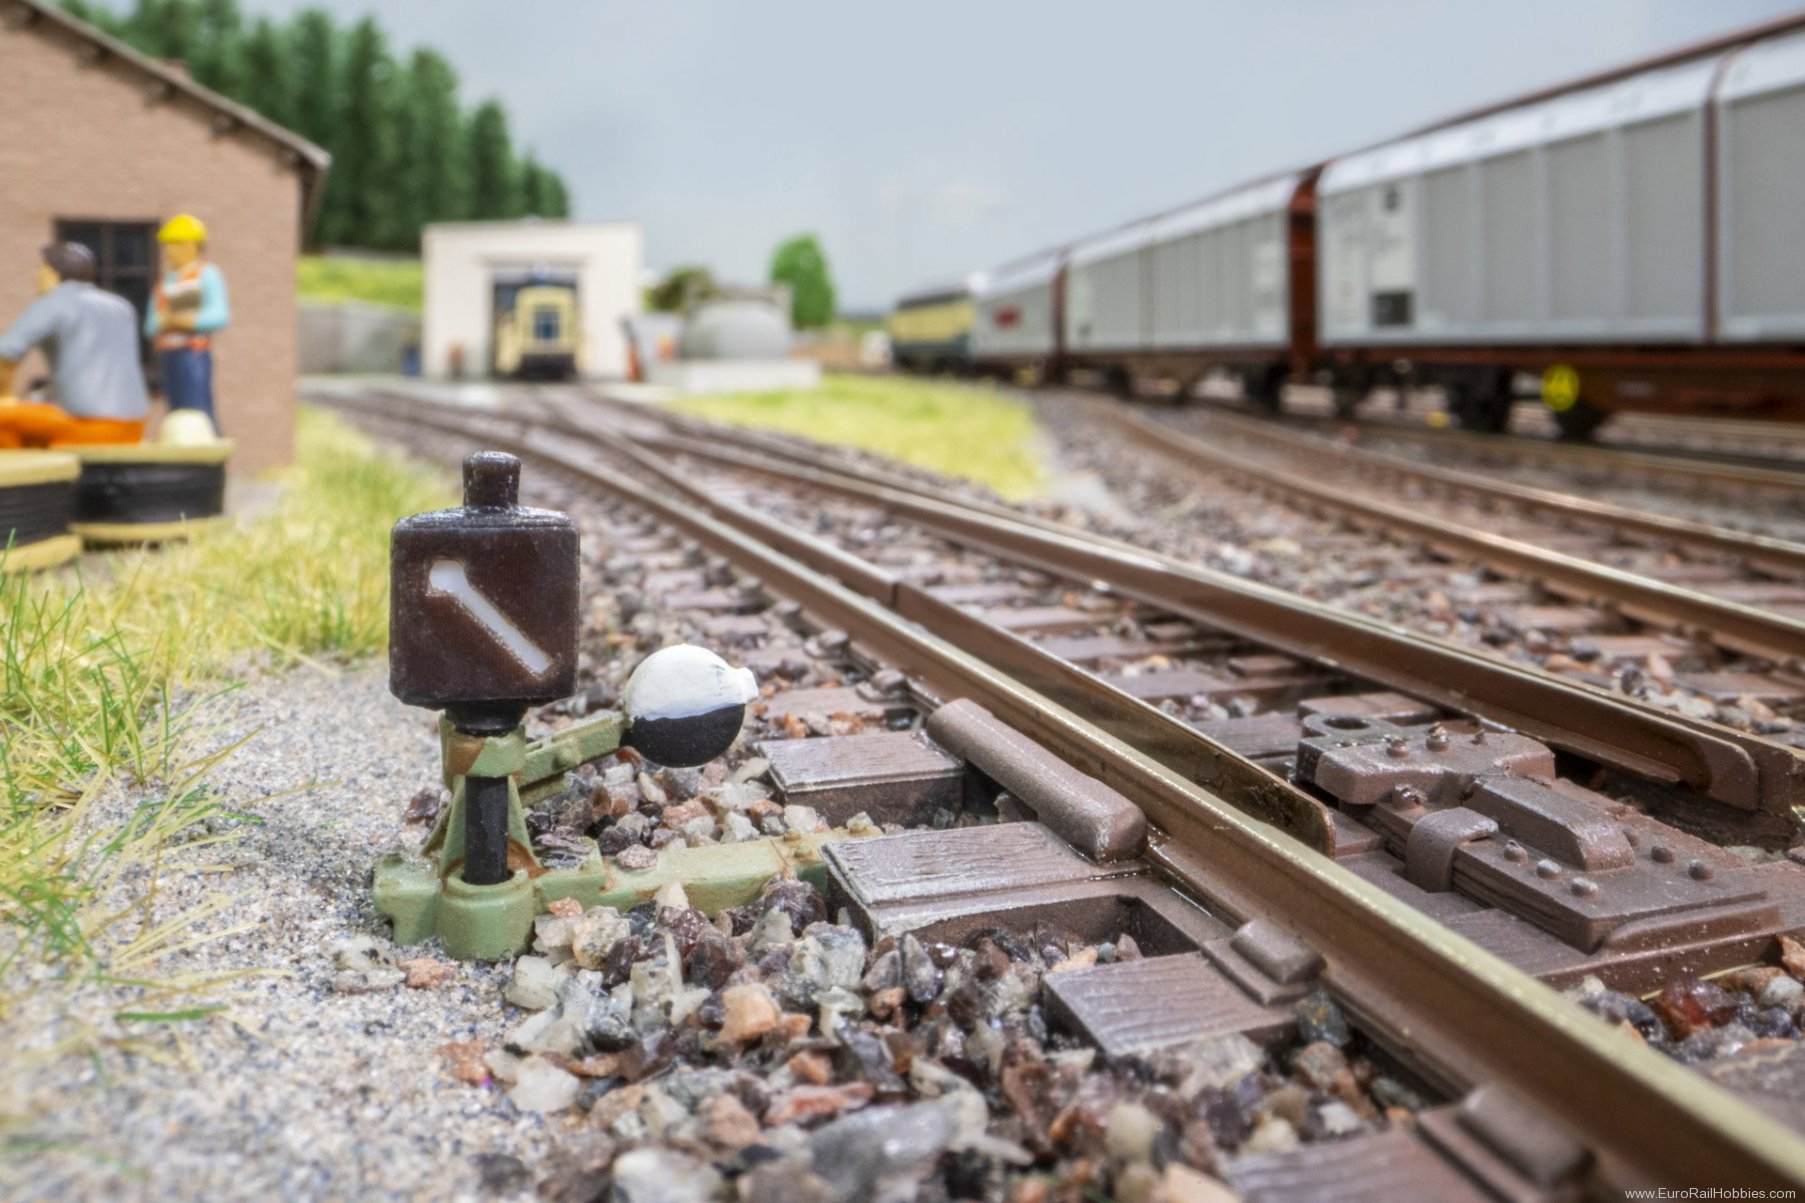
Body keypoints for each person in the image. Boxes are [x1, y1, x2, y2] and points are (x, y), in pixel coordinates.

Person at [0, 242, 150, 449]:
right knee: (32, 426)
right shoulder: (121, 307)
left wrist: (5, 396)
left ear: (53, 273)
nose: (36, 277)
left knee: (5, 420)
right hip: (134, 426)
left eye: (41, 270)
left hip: (87, 426)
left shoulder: (52, 302)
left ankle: (16, 478)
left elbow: (5, 354)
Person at [145, 213, 229, 429]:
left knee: (197, 407)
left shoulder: (207, 275)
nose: (170, 251)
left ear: (192, 245)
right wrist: (164, 321)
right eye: (168, 245)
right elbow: (151, 323)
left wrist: (186, 322)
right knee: (176, 411)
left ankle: (208, 451)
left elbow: (219, 315)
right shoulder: (166, 282)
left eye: (176, 244)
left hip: (193, 353)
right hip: (167, 353)